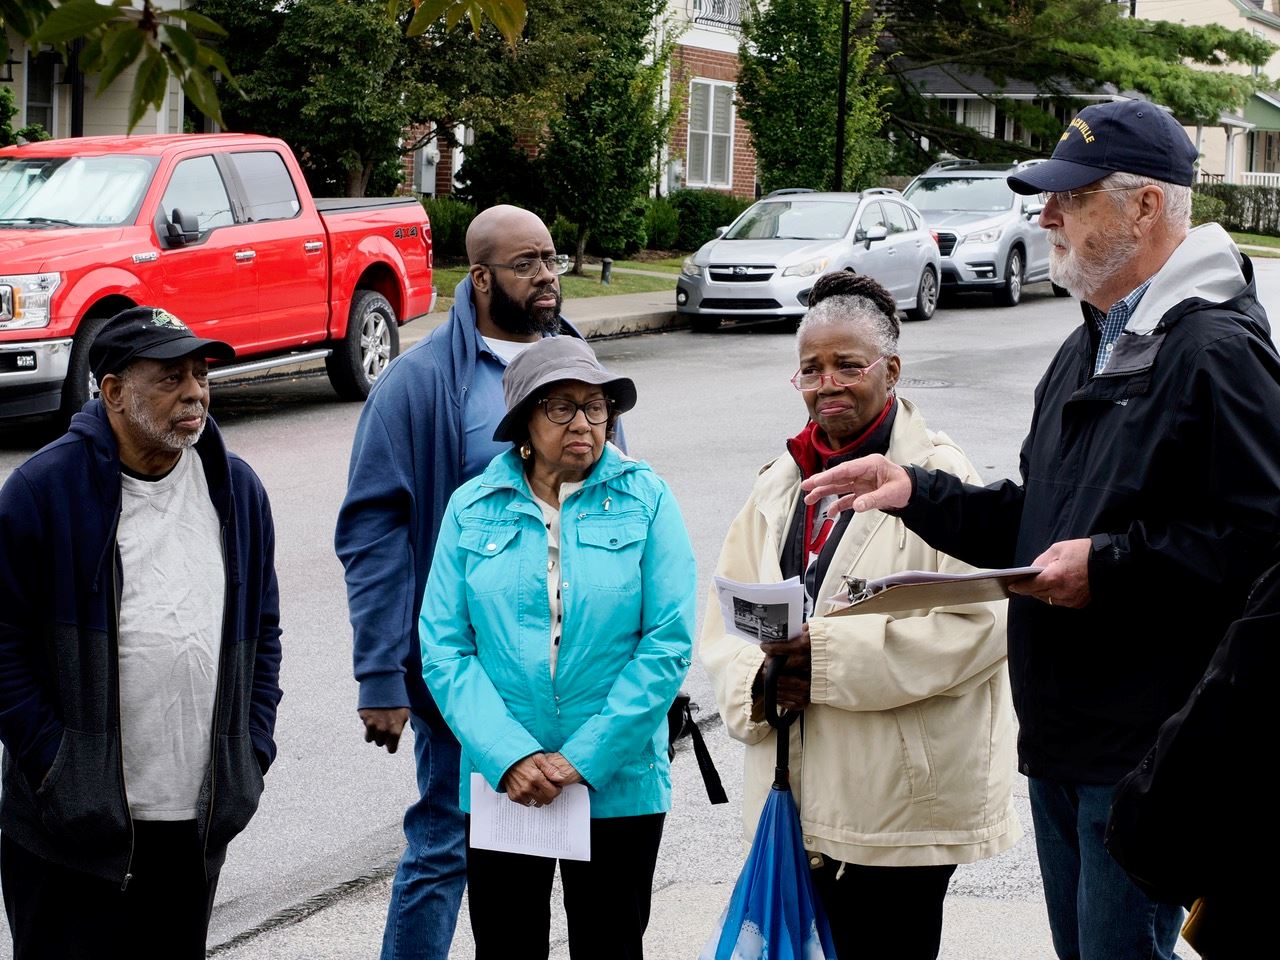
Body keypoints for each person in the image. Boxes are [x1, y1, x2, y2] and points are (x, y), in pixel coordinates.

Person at [801, 99, 1280, 960]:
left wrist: (1111, 568)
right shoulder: (1087, 343)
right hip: (1061, 738)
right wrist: (917, 489)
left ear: (1145, 207)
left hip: (1143, 748)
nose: (1045, 214)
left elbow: (1262, 546)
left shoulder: (1216, 350)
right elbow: (1040, 520)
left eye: (1072, 196)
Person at [700, 272, 1020, 960]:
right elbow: (724, 618)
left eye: (849, 364)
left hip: (897, 808)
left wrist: (823, 663)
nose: (828, 383)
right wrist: (762, 680)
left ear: (892, 369)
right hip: (795, 797)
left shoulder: (939, 474)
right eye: (811, 369)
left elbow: (980, 628)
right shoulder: (778, 482)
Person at [334, 205, 616, 960]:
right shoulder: (422, 384)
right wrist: (381, 673)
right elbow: (371, 534)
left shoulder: (578, 365)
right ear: (482, 277)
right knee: (447, 840)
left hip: (573, 672)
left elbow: (623, 506)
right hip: (463, 675)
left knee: (570, 859)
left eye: (552, 258)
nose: (548, 275)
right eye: (527, 263)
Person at [0, 306, 284, 959]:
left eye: (201, 374)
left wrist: (252, 751)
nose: (195, 393)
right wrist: (56, 766)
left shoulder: (236, 491)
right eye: (170, 377)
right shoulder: (44, 491)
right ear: (113, 392)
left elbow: (262, 633)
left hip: (192, 826)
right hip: (68, 833)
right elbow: (3, 643)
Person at [419, 336, 695, 960]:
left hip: (617, 779)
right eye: (563, 408)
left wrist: (582, 760)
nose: (585, 423)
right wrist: (510, 756)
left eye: (596, 408)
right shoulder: (471, 507)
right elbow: (443, 647)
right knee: (508, 945)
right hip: (504, 785)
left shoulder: (645, 498)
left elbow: (667, 643)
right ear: (523, 423)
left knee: (610, 943)